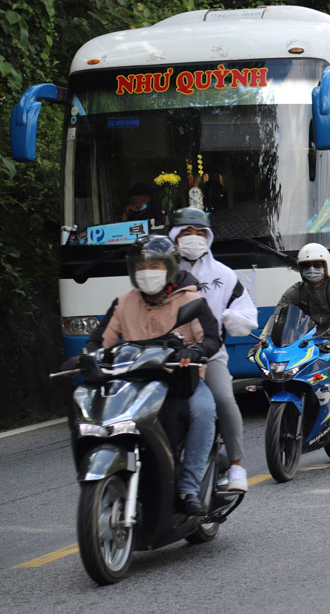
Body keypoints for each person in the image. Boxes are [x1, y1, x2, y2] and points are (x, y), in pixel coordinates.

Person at [73, 235, 221, 515]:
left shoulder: (191, 300)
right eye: (140, 265)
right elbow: (98, 341)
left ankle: (189, 487)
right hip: (132, 381)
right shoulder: (122, 303)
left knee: (204, 410)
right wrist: (86, 356)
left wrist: (196, 351)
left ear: (170, 266)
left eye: (154, 265)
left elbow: (212, 338)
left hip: (181, 379)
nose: (147, 271)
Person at [169, 207, 258, 492]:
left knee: (223, 399)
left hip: (211, 353)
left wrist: (234, 319)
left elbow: (247, 314)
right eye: (185, 233)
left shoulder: (224, 275)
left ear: (208, 236)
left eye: (198, 233)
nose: (192, 238)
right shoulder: (162, 272)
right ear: (173, 237)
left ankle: (236, 467)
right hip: (166, 356)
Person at [262, 243, 330, 437]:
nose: (312, 270)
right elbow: (278, 315)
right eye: (307, 266)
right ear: (300, 269)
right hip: (309, 342)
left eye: (317, 265)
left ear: (326, 266)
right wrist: (264, 340)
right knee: (286, 373)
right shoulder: (296, 291)